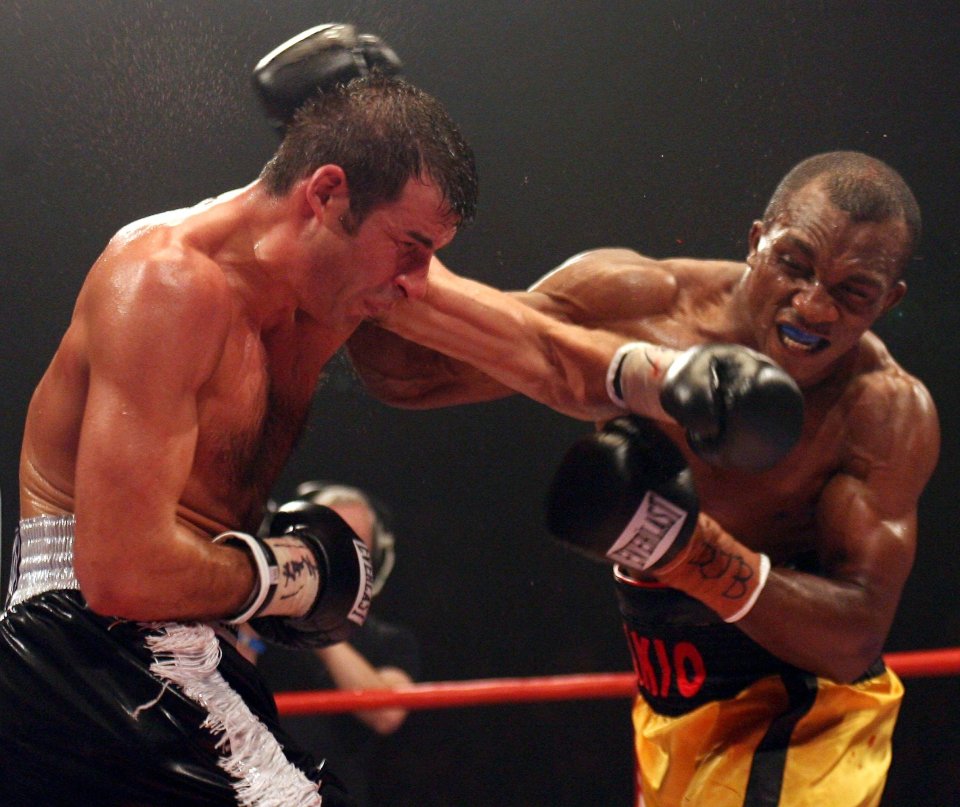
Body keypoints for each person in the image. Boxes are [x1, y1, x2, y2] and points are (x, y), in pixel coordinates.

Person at [344, 151, 940, 806]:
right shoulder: (637, 307)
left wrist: (686, 552)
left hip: (803, 723)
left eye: (853, 291)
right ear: (756, 242)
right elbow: (405, 372)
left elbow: (856, 637)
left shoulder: (881, 411)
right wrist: (367, 225)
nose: (813, 305)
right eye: (794, 264)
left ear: (890, 299)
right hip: (670, 711)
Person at [0, 28, 478, 805]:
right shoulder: (167, 283)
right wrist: (291, 576)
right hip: (86, 646)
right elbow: (119, 569)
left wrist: (637, 373)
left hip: (183, 655)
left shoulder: (331, 292)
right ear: (325, 196)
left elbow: (523, 339)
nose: (422, 283)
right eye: (412, 247)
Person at [240, 482, 421, 807]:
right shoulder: (266, 622)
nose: (336, 557)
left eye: (352, 545)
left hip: (336, 795)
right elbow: (229, 685)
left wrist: (319, 618)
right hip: (256, 788)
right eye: (325, 544)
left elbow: (387, 714)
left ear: (373, 559)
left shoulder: (390, 641)